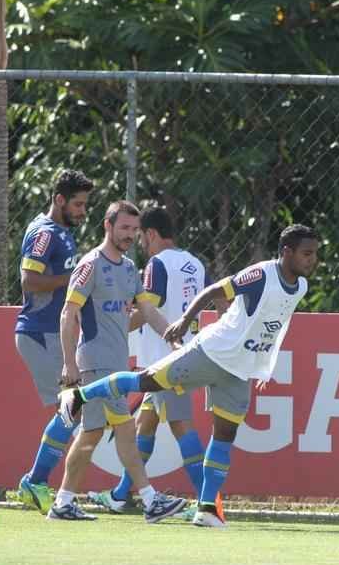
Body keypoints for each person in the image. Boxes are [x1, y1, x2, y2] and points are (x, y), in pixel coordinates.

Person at [57, 223, 321, 529]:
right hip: (211, 352)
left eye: (314, 254)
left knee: (224, 435)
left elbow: (274, 326)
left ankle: (206, 509)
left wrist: (264, 364)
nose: (312, 260)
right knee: (147, 381)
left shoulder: (300, 287)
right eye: (306, 253)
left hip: (239, 369)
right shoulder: (262, 274)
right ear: (287, 252)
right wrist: (184, 320)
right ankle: (78, 396)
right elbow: (215, 290)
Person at [46, 201, 187, 522]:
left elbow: (148, 311)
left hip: (116, 365)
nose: (129, 235)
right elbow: (68, 313)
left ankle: (64, 501)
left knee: (91, 433)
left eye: (134, 230)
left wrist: (174, 339)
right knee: (124, 429)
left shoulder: (127, 269)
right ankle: (151, 500)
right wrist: (70, 364)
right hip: (96, 364)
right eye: (124, 228)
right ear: (107, 226)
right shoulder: (90, 264)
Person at [89, 206, 212, 513]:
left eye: (141, 235)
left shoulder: (156, 264)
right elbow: (219, 299)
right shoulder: (195, 263)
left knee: (182, 425)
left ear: (152, 234)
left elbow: (147, 310)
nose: (139, 241)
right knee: (145, 425)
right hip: (183, 354)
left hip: (166, 361)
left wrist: (111, 325)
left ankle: (208, 502)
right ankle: (120, 495)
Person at [15, 170, 93, 514]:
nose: (82, 211)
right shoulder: (44, 235)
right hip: (39, 332)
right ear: (59, 200)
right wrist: (76, 281)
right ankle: (36, 480)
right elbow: (30, 281)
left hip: (50, 333)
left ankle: (38, 481)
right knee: (73, 407)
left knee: (74, 409)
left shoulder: (61, 232)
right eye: (77, 204)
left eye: (85, 205)